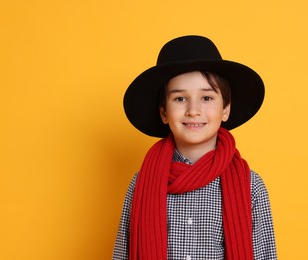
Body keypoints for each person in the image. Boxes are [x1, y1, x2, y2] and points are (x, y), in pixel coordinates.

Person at [113, 35, 277, 260]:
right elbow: (122, 253)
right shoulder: (141, 183)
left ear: (225, 109)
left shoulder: (251, 186)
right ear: (164, 112)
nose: (193, 110)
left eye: (207, 98)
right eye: (180, 99)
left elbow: (265, 255)